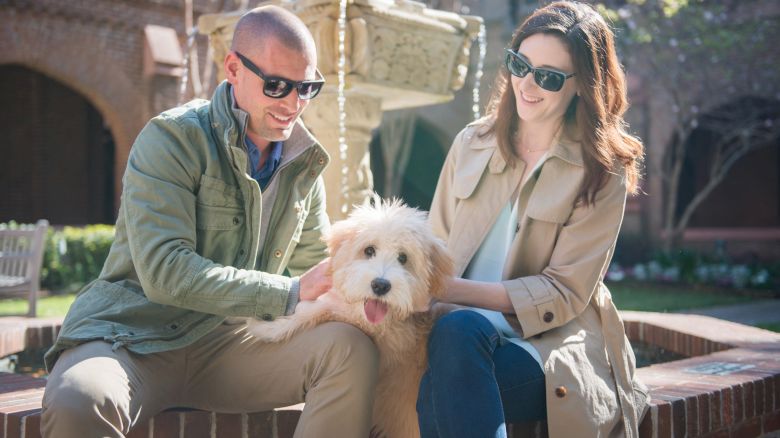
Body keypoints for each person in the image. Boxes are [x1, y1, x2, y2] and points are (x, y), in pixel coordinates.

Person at [41, 6, 379, 438]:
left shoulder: (304, 166)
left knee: (351, 351)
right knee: (79, 400)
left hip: (232, 348)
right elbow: (166, 272)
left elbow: (319, 273)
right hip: (133, 337)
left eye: (307, 87)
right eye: (277, 85)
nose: (294, 103)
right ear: (234, 68)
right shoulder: (173, 138)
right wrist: (289, 291)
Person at [417, 2, 649, 437]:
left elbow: (564, 292)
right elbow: (433, 248)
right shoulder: (473, 142)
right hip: (455, 332)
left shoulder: (604, 169)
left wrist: (451, 293)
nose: (527, 84)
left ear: (583, 85)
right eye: (520, 65)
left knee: (446, 368)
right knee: (450, 344)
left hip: (543, 346)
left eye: (548, 76)